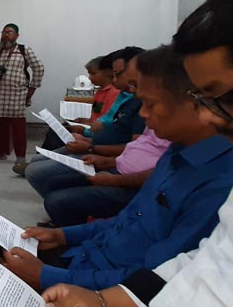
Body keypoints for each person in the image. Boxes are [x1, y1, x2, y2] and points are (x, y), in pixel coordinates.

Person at [40, 0, 233, 307]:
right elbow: (200, 268)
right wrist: (103, 303)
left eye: (221, 97)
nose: (210, 117)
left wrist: (56, 279)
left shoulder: (228, 173)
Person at [0, 45, 233, 294]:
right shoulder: (177, 151)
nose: (143, 114)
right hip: (90, 257)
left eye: (150, 104)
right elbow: (127, 220)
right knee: (1, 249)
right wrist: (63, 235)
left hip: (104, 286)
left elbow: (151, 282)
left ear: (198, 102)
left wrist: (48, 277)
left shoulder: (222, 185)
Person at [25, 48, 146, 205]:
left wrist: (89, 140)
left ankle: (59, 201)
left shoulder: (128, 98)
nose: (89, 78)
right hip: (94, 143)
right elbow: (104, 119)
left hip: (101, 150)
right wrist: (86, 131)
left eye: (93, 73)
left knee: (38, 171)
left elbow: (125, 140)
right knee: (48, 145)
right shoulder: (117, 95)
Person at [0, 23, 45, 173]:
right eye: (3, 32)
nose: (6, 34)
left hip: (16, 95)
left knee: (18, 128)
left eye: (9, 32)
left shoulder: (24, 50)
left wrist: (31, 90)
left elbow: (39, 68)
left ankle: (20, 157)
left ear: (17, 35)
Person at [38, 54, 120, 152]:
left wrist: (84, 129)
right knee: (54, 131)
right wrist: (85, 120)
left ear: (107, 73)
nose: (89, 78)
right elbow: (97, 114)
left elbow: (107, 123)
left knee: (55, 135)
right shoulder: (99, 92)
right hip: (90, 129)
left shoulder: (114, 93)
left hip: (96, 135)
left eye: (93, 74)